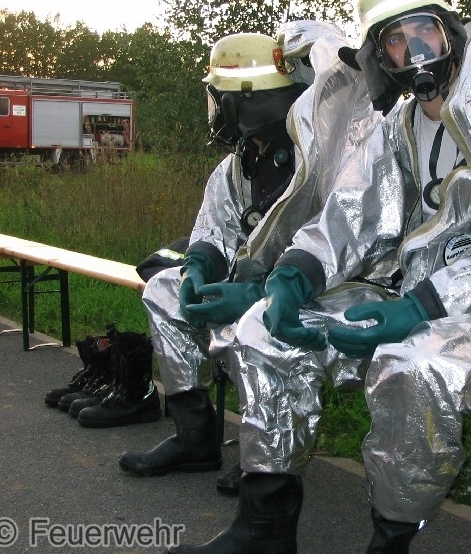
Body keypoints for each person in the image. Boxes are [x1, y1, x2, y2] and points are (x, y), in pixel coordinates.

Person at [165, 0, 471, 554]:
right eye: (396, 40)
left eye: (423, 30)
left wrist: (422, 306)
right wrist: (293, 276)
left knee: (412, 365)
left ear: (448, 29)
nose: (415, 51)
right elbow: (352, 212)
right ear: (379, 56)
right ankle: (264, 531)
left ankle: (390, 545)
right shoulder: (402, 124)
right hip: (427, 295)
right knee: (263, 332)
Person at [117, 25, 349, 487]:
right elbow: (214, 228)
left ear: (239, 103)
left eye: (218, 97)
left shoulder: (320, 163)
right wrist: (197, 268)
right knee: (163, 289)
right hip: (256, 285)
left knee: (254, 326)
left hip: (312, 293)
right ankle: (195, 437)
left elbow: (336, 253)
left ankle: (264, 462)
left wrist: (254, 294)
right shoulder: (241, 164)